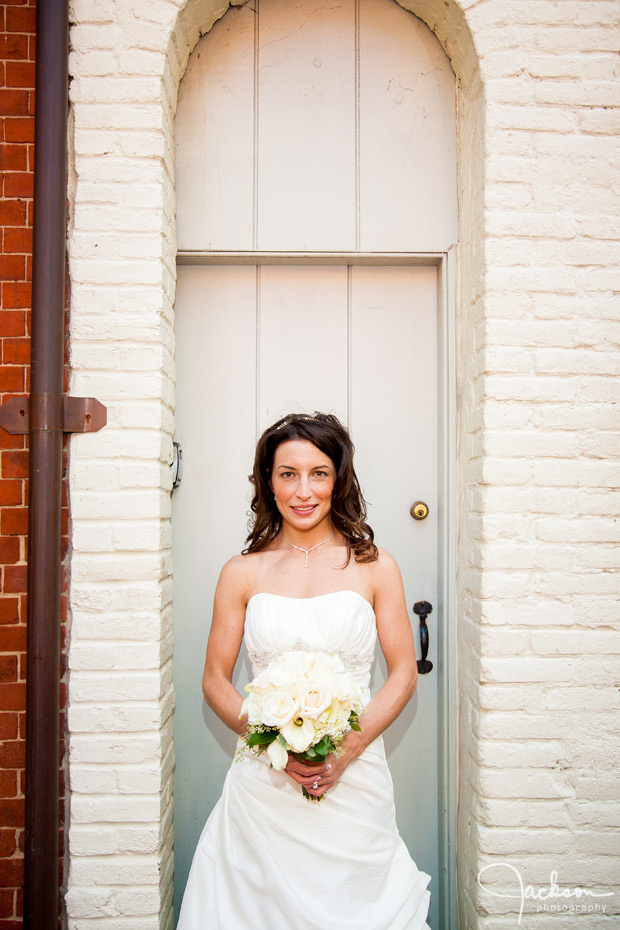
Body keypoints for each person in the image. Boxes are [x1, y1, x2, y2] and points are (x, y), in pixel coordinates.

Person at [177, 412, 431, 930]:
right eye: (287, 473)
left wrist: (346, 752)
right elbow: (213, 681)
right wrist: (273, 746)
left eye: (318, 473)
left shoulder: (376, 566)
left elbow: (403, 672)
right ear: (267, 482)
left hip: (354, 780)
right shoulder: (241, 573)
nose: (303, 490)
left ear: (339, 480)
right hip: (264, 789)